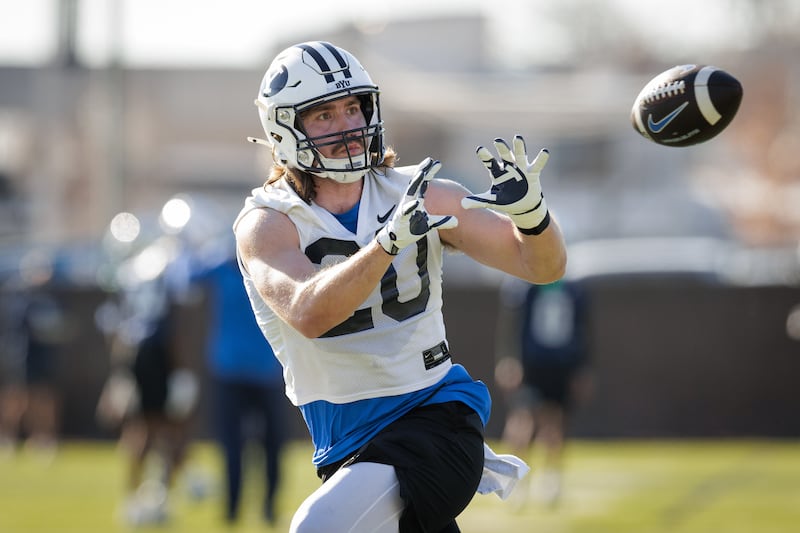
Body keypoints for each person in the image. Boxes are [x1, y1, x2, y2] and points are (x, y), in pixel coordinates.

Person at [234, 41, 567, 533]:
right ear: (284, 128)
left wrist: (533, 218)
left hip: (435, 417)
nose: (347, 126)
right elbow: (308, 312)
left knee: (318, 528)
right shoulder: (268, 222)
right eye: (324, 115)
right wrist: (386, 244)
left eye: (353, 108)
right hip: (346, 442)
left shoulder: (422, 193)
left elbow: (542, 267)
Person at [189, 238, 288, 526]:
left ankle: (268, 507)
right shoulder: (221, 268)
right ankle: (233, 509)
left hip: (264, 370)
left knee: (272, 443)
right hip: (231, 372)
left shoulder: (266, 269)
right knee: (232, 445)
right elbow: (187, 278)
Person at [494, 278, 592, 507]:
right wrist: (508, 359)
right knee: (522, 419)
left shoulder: (573, 291)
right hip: (530, 365)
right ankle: (516, 480)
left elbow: (583, 331)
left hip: (560, 364)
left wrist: (582, 368)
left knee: (554, 421)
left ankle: (550, 479)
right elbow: (510, 327)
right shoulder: (524, 289)